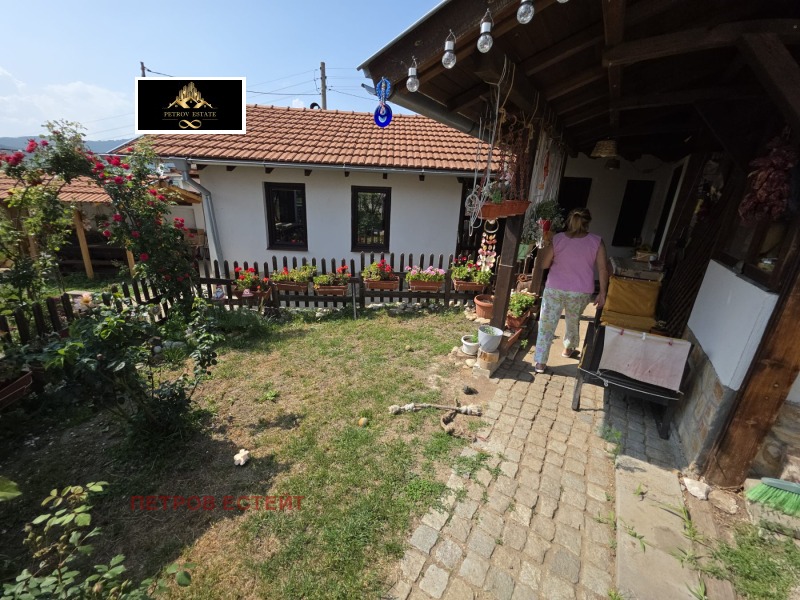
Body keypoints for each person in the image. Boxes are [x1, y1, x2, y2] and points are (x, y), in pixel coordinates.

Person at [532, 207, 608, 374]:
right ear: (587, 222)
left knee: (546, 324)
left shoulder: (558, 238)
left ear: (569, 221)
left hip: (555, 288)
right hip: (580, 291)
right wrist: (603, 293)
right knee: (573, 320)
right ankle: (568, 348)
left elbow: (544, 264)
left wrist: (548, 245)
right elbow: (603, 269)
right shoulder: (597, 241)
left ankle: (540, 363)